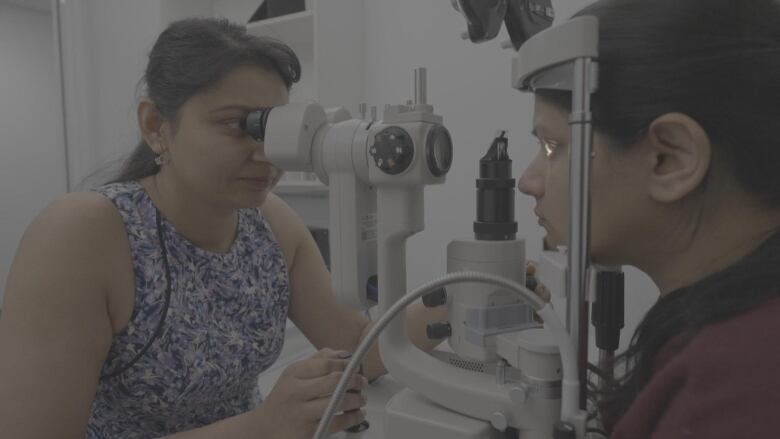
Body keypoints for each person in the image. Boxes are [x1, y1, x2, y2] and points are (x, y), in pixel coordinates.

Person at [0, 18, 448, 439]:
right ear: (157, 126)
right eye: (238, 125)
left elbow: (359, 347)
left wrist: (465, 303)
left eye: (275, 129)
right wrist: (264, 426)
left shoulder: (271, 222)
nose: (266, 152)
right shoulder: (82, 234)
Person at [516, 0, 780, 437]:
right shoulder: (729, 339)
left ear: (669, 159)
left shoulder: (735, 390)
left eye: (552, 146)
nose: (528, 181)